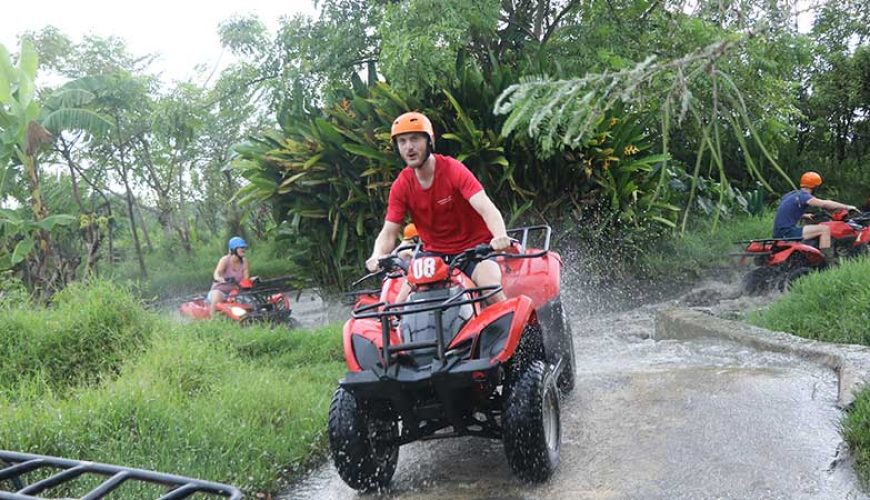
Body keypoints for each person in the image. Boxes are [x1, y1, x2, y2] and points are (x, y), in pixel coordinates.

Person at [366, 111, 512, 303]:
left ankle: (521, 332)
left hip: (474, 251)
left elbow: (487, 208)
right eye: (402, 141)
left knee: (490, 288)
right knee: (397, 307)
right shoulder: (401, 185)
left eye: (415, 139)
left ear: (429, 141)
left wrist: (500, 236)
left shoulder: (453, 169)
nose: (409, 147)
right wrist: (377, 255)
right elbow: (389, 231)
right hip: (433, 257)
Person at [772, 171, 856, 262]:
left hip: (779, 232)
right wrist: (847, 207)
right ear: (814, 187)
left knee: (813, 228)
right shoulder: (804, 196)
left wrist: (804, 215)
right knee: (824, 229)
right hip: (787, 232)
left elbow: (788, 211)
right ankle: (828, 261)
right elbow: (824, 204)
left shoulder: (792, 194)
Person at [208, 236, 250, 315]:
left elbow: (246, 277)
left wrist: (249, 281)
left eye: (244, 247)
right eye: (241, 247)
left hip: (236, 291)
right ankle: (212, 319)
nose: (244, 249)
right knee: (217, 295)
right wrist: (220, 279)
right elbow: (217, 273)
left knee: (250, 299)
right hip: (221, 291)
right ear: (234, 249)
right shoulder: (225, 260)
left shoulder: (245, 261)